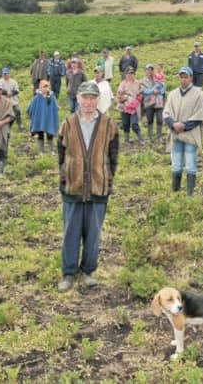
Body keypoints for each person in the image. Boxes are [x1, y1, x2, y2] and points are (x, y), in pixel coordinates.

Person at [56, 81, 119, 291]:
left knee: (93, 233)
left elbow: (113, 157)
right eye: (85, 97)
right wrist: (66, 175)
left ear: (98, 100)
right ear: (78, 99)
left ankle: (88, 271)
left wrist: (106, 179)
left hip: (98, 188)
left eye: (92, 98)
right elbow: (61, 155)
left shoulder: (109, 125)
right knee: (70, 232)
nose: (89, 102)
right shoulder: (67, 123)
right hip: (72, 188)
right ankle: (68, 273)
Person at [163, 67, 203, 197]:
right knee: (176, 164)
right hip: (176, 135)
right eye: (181, 77)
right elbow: (166, 113)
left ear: (191, 78)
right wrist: (173, 124)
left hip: (190, 135)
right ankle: (175, 193)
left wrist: (184, 126)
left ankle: (190, 194)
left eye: (186, 77)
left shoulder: (198, 94)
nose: (183, 79)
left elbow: (200, 115)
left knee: (190, 164)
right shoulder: (173, 94)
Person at [27, 79, 60, 154]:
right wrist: (32, 115)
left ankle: (51, 150)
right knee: (40, 134)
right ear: (40, 88)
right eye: (43, 87)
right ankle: (41, 150)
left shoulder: (51, 97)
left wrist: (56, 108)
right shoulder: (37, 98)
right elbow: (30, 107)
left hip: (49, 119)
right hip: (40, 119)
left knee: (50, 134)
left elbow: (55, 107)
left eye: (46, 87)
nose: (45, 88)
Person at [116, 67, 143, 145]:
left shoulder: (137, 83)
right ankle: (126, 140)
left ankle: (140, 138)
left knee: (134, 124)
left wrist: (139, 98)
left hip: (134, 107)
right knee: (125, 123)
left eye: (132, 73)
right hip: (125, 106)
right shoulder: (123, 83)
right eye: (128, 73)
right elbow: (118, 94)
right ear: (126, 74)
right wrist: (121, 98)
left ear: (134, 74)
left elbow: (141, 93)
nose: (130, 75)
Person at [139, 64, 166, 144]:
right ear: (145, 71)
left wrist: (159, 91)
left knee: (160, 120)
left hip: (158, 103)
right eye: (148, 70)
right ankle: (150, 137)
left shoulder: (158, 78)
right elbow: (143, 91)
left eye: (151, 70)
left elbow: (163, 89)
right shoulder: (142, 81)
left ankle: (159, 137)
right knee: (150, 120)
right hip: (148, 103)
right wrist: (153, 91)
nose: (149, 71)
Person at [0, 67, 23, 133]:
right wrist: (6, 93)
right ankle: (5, 127)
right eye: (4, 74)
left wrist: (11, 93)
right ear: (2, 74)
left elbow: (17, 90)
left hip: (13, 101)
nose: (5, 75)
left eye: (6, 73)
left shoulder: (14, 81)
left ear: (9, 74)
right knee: (5, 115)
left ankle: (20, 125)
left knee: (17, 111)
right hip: (4, 101)